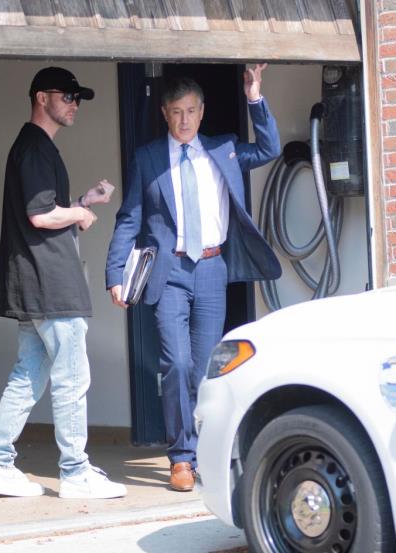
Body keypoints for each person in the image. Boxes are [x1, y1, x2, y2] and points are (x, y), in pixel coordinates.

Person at [105, 64, 281, 492]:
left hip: (211, 269)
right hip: (169, 272)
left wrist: (254, 96)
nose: (184, 120)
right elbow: (130, 216)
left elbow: (271, 148)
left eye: (191, 111)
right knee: (176, 363)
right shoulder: (147, 157)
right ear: (165, 113)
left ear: (201, 113)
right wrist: (115, 272)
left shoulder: (224, 149)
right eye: (176, 112)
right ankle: (181, 457)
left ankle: (206, 451)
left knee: (204, 368)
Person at [0, 66, 127, 500]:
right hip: (52, 283)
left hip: (35, 282)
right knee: (71, 377)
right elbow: (41, 216)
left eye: (78, 99)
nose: (73, 105)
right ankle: (76, 473)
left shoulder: (33, 148)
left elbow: (42, 214)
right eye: (67, 97)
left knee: (28, 374)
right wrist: (78, 213)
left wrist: (82, 202)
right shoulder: (35, 149)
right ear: (42, 98)